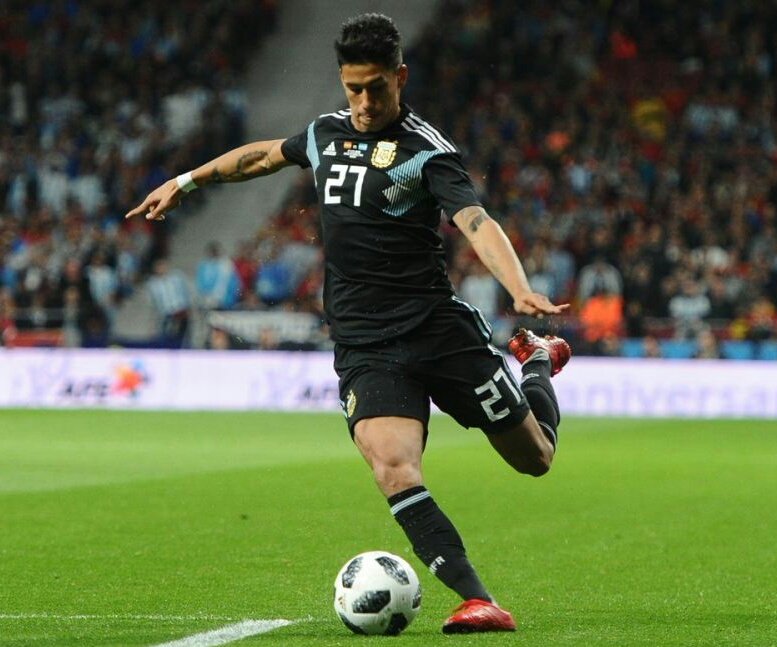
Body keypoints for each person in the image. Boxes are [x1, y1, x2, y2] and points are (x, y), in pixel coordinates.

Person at [126, 13, 571, 634]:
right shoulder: (325, 133)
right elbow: (261, 157)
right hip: (366, 344)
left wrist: (518, 288)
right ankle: (477, 598)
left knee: (535, 458)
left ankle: (538, 359)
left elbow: (476, 221)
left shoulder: (427, 150)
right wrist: (185, 180)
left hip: (438, 333)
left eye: (375, 88)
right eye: (353, 88)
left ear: (400, 78)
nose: (363, 102)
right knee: (393, 467)